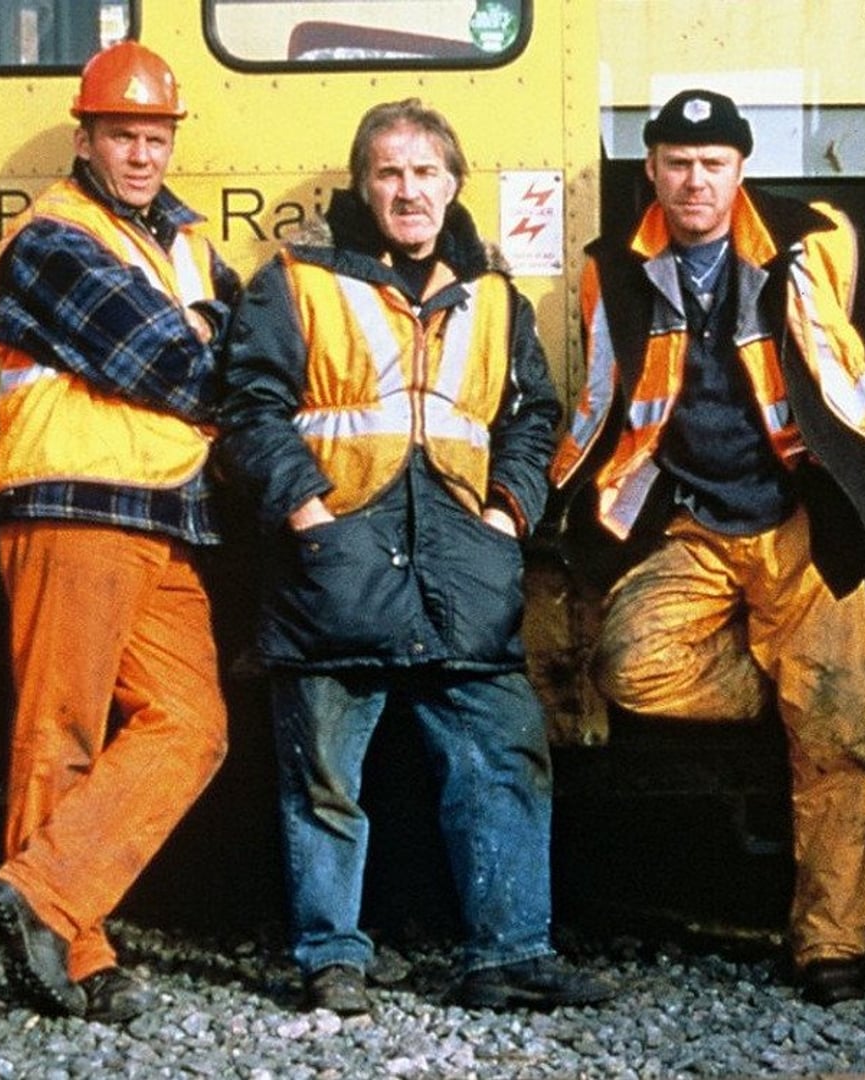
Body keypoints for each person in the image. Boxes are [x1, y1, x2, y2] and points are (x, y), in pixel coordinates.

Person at [216, 98, 611, 1015]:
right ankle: (332, 959)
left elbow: (531, 416)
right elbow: (249, 410)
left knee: (504, 763)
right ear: (362, 185)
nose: (408, 191)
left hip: (464, 571)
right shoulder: (298, 280)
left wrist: (510, 513)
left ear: (452, 184)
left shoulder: (494, 295)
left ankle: (507, 954)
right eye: (389, 173)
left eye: (426, 172)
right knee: (324, 779)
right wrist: (307, 514)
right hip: (337, 570)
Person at [549, 88, 865, 1005]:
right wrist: (554, 512)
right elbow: (601, 400)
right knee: (630, 665)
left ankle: (831, 944)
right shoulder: (615, 267)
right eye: (677, 163)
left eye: (713, 164)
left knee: (843, 744)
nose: (695, 181)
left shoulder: (813, 239)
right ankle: (796, 687)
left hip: (803, 524)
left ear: (740, 171)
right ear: (653, 173)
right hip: (696, 526)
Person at [0, 40, 238, 1023]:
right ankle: (71, 954)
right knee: (65, 730)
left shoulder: (184, 244)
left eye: (155, 136)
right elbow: (191, 370)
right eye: (122, 134)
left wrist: (229, 345)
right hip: (71, 503)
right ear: (86, 136)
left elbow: (253, 349)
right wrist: (221, 345)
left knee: (193, 723)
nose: (140, 153)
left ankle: (40, 896)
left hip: (163, 513)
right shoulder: (54, 240)